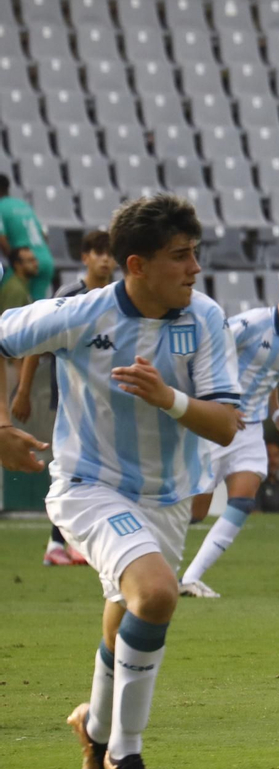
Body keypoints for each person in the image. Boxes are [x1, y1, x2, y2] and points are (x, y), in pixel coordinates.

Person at [0, 194, 242, 769]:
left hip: (167, 497)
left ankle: (94, 735)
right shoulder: (83, 314)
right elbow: (3, 336)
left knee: (125, 620)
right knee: (158, 594)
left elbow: (226, 424)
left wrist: (171, 400)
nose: (194, 269)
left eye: (196, 254)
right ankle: (127, 756)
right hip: (89, 485)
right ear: (136, 264)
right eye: (180, 257)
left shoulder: (207, 318)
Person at [178, 262, 279, 598]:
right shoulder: (251, 324)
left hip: (249, 432)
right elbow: (208, 353)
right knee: (195, 512)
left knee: (242, 502)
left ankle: (189, 577)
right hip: (216, 423)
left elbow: (270, 380)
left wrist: (275, 415)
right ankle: (141, 551)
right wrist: (220, 403)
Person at [11, 230, 116, 566]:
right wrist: (23, 391)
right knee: (73, 467)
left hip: (110, 400)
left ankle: (65, 542)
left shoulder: (121, 297)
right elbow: (36, 341)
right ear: (84, 257)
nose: (104, 259)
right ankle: (61, 542)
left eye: (109, 253)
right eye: (97, 252)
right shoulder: (71, 294)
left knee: (96, 470)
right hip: (71, 396)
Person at [0, 174, 55, 300]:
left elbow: (1, 239)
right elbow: (44, 236)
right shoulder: (23, 205)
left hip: (24, 262)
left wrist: (16, 261)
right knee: (36, 308)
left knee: (8, 297)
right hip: (45, 260)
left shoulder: (0, 207)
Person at [1, 244, 36, 313]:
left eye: (34, 260)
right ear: (17, 265)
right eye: (30, 261)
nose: (35, 264)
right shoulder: (15, 288)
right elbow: (10, 320)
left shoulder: (21, 284)